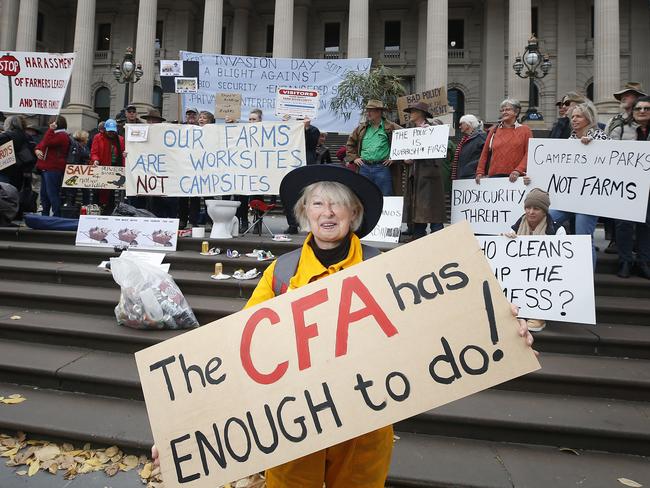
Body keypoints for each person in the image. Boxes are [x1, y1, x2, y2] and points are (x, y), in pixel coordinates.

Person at [150, 163, 536, 487]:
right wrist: (181, 428)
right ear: (305, 212)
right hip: (292, 428)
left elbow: (444, 321)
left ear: (354, 214)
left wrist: (501, 329)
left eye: (339, 205)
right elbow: (236, 353)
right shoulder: (281, 273)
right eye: (318, 203)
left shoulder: (387, 270)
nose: (328, 213)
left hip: (363, 425)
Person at [546, 101, 608, 269]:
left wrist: (594, 148)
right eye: (572, 116)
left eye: (578, 116)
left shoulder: (600, 137)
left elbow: (611, 168)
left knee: (583, 238)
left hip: (589, 201)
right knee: (545, 220)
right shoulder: (571, 139)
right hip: (568, 198)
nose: (574, 119)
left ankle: (587, 280)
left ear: (589, 118)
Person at [504, 188, 566, 332]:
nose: (531, 212)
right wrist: (505, 241)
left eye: (536, 208)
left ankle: (538, 314)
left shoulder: (557, 231)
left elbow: (563, 263)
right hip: (520, 274)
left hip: (545, 277)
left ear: (544, 211)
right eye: (528, 207)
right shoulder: (515, 228)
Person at [614, 96, 650, 279]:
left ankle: (644, 261)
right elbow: (607, 151)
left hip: (648, 186)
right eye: (639, 109)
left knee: (646, 224)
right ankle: (625, 261)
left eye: (646, 108)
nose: (642, 112)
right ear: (633, 112)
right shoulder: (621, 129)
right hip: (626, 185)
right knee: (624, 225)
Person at [403, 102, 446, 239]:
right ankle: (418, 233)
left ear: (420, 113)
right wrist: (407, 159)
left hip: (429, 174)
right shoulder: (411, 131)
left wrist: (430, 130)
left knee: (432, 205)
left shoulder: (431, 127)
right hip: (415, 175)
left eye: (413, 112)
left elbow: (440, 132)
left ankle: (437, 235)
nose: (410, 115)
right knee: (418, 206)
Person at [346, 99, 402, 196]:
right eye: (367, 110)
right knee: (363, 196)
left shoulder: (391, 126)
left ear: (379, 112)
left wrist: (395, 158)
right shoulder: (362, 128)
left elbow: (407, 138)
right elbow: (350, 144)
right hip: (364, 167)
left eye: (371, 110)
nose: (368, 113)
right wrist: (354, 158)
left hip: (382, 168)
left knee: (386, 196)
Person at [475, 99, 532, 184]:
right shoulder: (494, 130)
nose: (504, 112)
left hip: (516, 178)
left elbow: (529, 153)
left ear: (516, 112)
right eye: (502, 110)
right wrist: (480, 172)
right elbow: (485, 152)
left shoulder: (525, 130)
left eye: (508, 109)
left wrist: (518, 170)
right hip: (494, 177)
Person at [34, 116, 70, 217]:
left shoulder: (62, 136)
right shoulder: (54, 134)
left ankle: (56, 215)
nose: (49, 124)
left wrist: (50, 130)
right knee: (45, 194)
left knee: (52, 193)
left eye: (50, 122)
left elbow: (47, 142)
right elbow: (40, 145)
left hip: (53, 168)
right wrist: (37, 150)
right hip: (46, 169)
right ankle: (45, 214)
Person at [90, 118, 125, 214]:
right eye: (109, 131)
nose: (111, 133)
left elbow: (123, 154)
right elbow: (94, 152)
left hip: (114, 170)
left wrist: (125, 155)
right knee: (97, 192)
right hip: (101, 168)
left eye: (113, 131)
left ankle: (108, 212)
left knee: (111, 193)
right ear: (105, 130)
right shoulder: (98, 137)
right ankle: (96, 211)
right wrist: (95, 160)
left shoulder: (120, 140)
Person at [178, 108, 201, 228]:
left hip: (197, 167)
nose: (191, 116)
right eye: (188, 114)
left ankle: (193, 221)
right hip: (183, 166)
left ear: (197, 116)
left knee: (195, 197)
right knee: (182, 196)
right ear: (185, 116)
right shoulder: (179, 128)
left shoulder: (203, 129)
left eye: (193, 114)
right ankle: (182, 220)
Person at [451, 114, 486, 180]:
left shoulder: (480, 137)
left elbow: (486, 156)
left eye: (461, 124)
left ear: (468, 124)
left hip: (473, 176)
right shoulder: (465, 139)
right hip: (464, 176)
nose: (460, 127)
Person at [0, 116, 31, 190]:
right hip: (20, 168)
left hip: (6, 169)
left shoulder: (7, 136)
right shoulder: (26, 135)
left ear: (9, 124)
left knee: (4, 194)